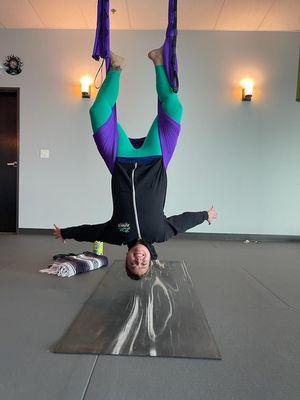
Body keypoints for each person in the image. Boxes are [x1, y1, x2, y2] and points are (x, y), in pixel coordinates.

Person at [53, 47, 217, 279]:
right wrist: (205, 215)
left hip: (119, 159)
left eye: (133, 264)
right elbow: (183, 221)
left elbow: (91, 231)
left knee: (98, 111)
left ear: (127, 260)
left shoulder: (116, 235)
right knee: (174, 107)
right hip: (156, 158)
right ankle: (159, 61)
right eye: (143, 264)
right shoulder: (160, 233)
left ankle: (116, 67)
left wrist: (66, 233)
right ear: (151, 258)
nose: (138, 260)